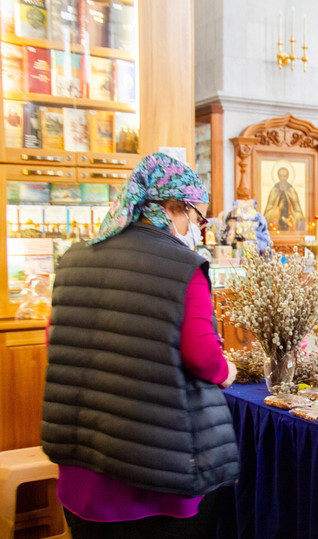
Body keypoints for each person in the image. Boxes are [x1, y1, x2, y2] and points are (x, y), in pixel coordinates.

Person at [42, 153, 240, 538]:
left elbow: (55, 336)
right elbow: (201, 356)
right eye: (197, 218)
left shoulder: (74, 259)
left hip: (85, 464)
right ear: (171, 208)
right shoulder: (183, 266)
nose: (199, 230)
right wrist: (226, 370)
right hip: (155, 472)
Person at [263, 164, 306, 232]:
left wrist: (292, 217)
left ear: (288, 177)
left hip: (290, 224)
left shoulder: (291, 191)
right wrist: (278, 209)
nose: (283, 178)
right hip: (276, 225)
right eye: (281, 176)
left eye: (285, 176)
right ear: (278, 176)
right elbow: (267, 214)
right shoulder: (274, 191)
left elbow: (298, 211)